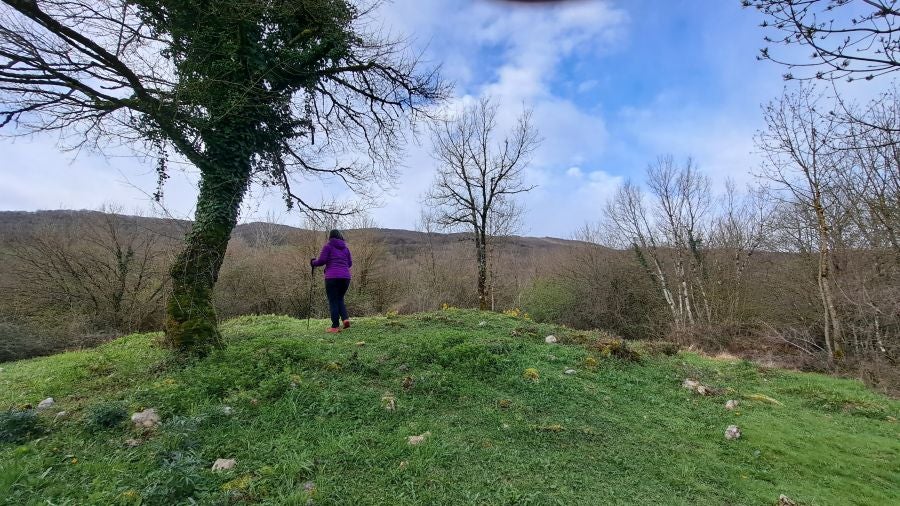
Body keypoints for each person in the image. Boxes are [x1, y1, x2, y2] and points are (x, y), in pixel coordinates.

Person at [311, 229, 352, 333]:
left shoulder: (328, 246)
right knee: (340, 299)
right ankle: (345, 319)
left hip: (332, 278)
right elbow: (349, 264)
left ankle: (335, 326)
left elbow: (321, 261)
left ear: (330, 237)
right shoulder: (346, 249)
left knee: (333, 301)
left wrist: (313, 262)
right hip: (346, 278)